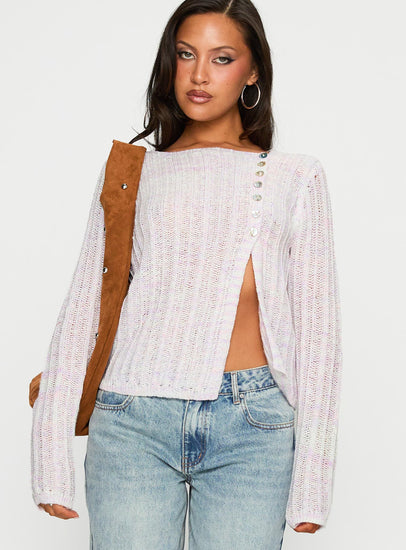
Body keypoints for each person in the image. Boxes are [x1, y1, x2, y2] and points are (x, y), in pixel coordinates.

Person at [30, 1, 342, 548]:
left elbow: (318, 335)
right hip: (131, 418)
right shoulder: (132, 171)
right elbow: (85, 305)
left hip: (253, 425)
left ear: (252, 72)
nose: (199, 75)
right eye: (185, 54)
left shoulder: (294, 177)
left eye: (222, 58)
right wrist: (50, 456)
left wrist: (313, 483)